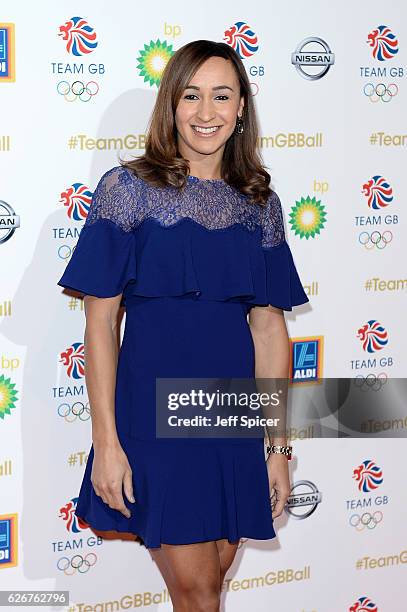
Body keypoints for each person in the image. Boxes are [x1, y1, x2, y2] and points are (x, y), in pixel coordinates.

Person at [57, 39, 309, 612]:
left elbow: (270, 334)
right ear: (171, 104)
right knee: (198, 591)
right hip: (154, 415)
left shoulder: (259, 204)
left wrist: (277, 448)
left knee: (211, 584)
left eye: (221, 96)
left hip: (231, 416)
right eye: (191, 96)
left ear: (241, 106)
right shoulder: (128, 191)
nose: (205, 112)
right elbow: (101, 324)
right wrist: (106, 443)